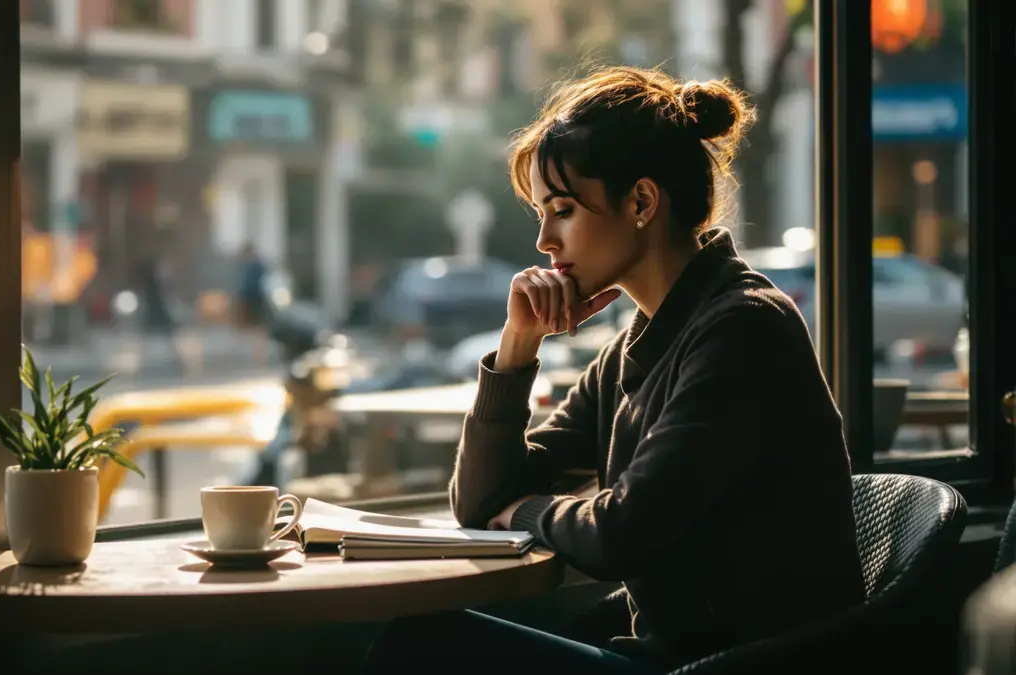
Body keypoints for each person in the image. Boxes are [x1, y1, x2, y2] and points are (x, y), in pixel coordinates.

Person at [362, 66, 865, 673]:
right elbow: (478, 503)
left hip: (732, 664)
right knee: (425, 639)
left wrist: (522, 512)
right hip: (669, 655)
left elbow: (621, 532)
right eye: (542, 213)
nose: (545, 239)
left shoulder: (745, 327)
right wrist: (518, 345)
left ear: (642, 202)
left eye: (564, 209)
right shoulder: (637, 345)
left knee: (423, 647)